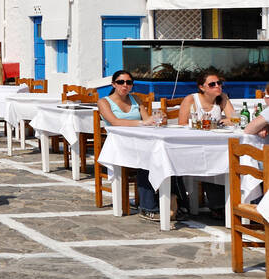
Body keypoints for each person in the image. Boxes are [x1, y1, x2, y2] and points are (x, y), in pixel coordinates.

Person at [98, 71, 165, 222]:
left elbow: (148, 119)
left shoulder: (136, 99)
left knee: (165, 156)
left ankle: (174, 201)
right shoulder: (104, 102)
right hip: (119, 146)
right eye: (121, 82)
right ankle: (148, 207)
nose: (125, 85)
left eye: (128, 82)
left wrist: (157, 119)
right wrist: (142, 123)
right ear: (113, 84)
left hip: (140, 142)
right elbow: (114, 122)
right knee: (146, 161)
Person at [177, 70, 235, 219]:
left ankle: (226, 204)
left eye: (219, 83)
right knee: (214, 161)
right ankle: (218, 205)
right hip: (193, 145)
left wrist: (224, 121)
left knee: (226, 160)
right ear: (202, 87)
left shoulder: (222, 98)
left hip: (214, 144)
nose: (217, 86)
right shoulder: (191, 99)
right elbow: (182, 124)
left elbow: (234, 119)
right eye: (212, 84)